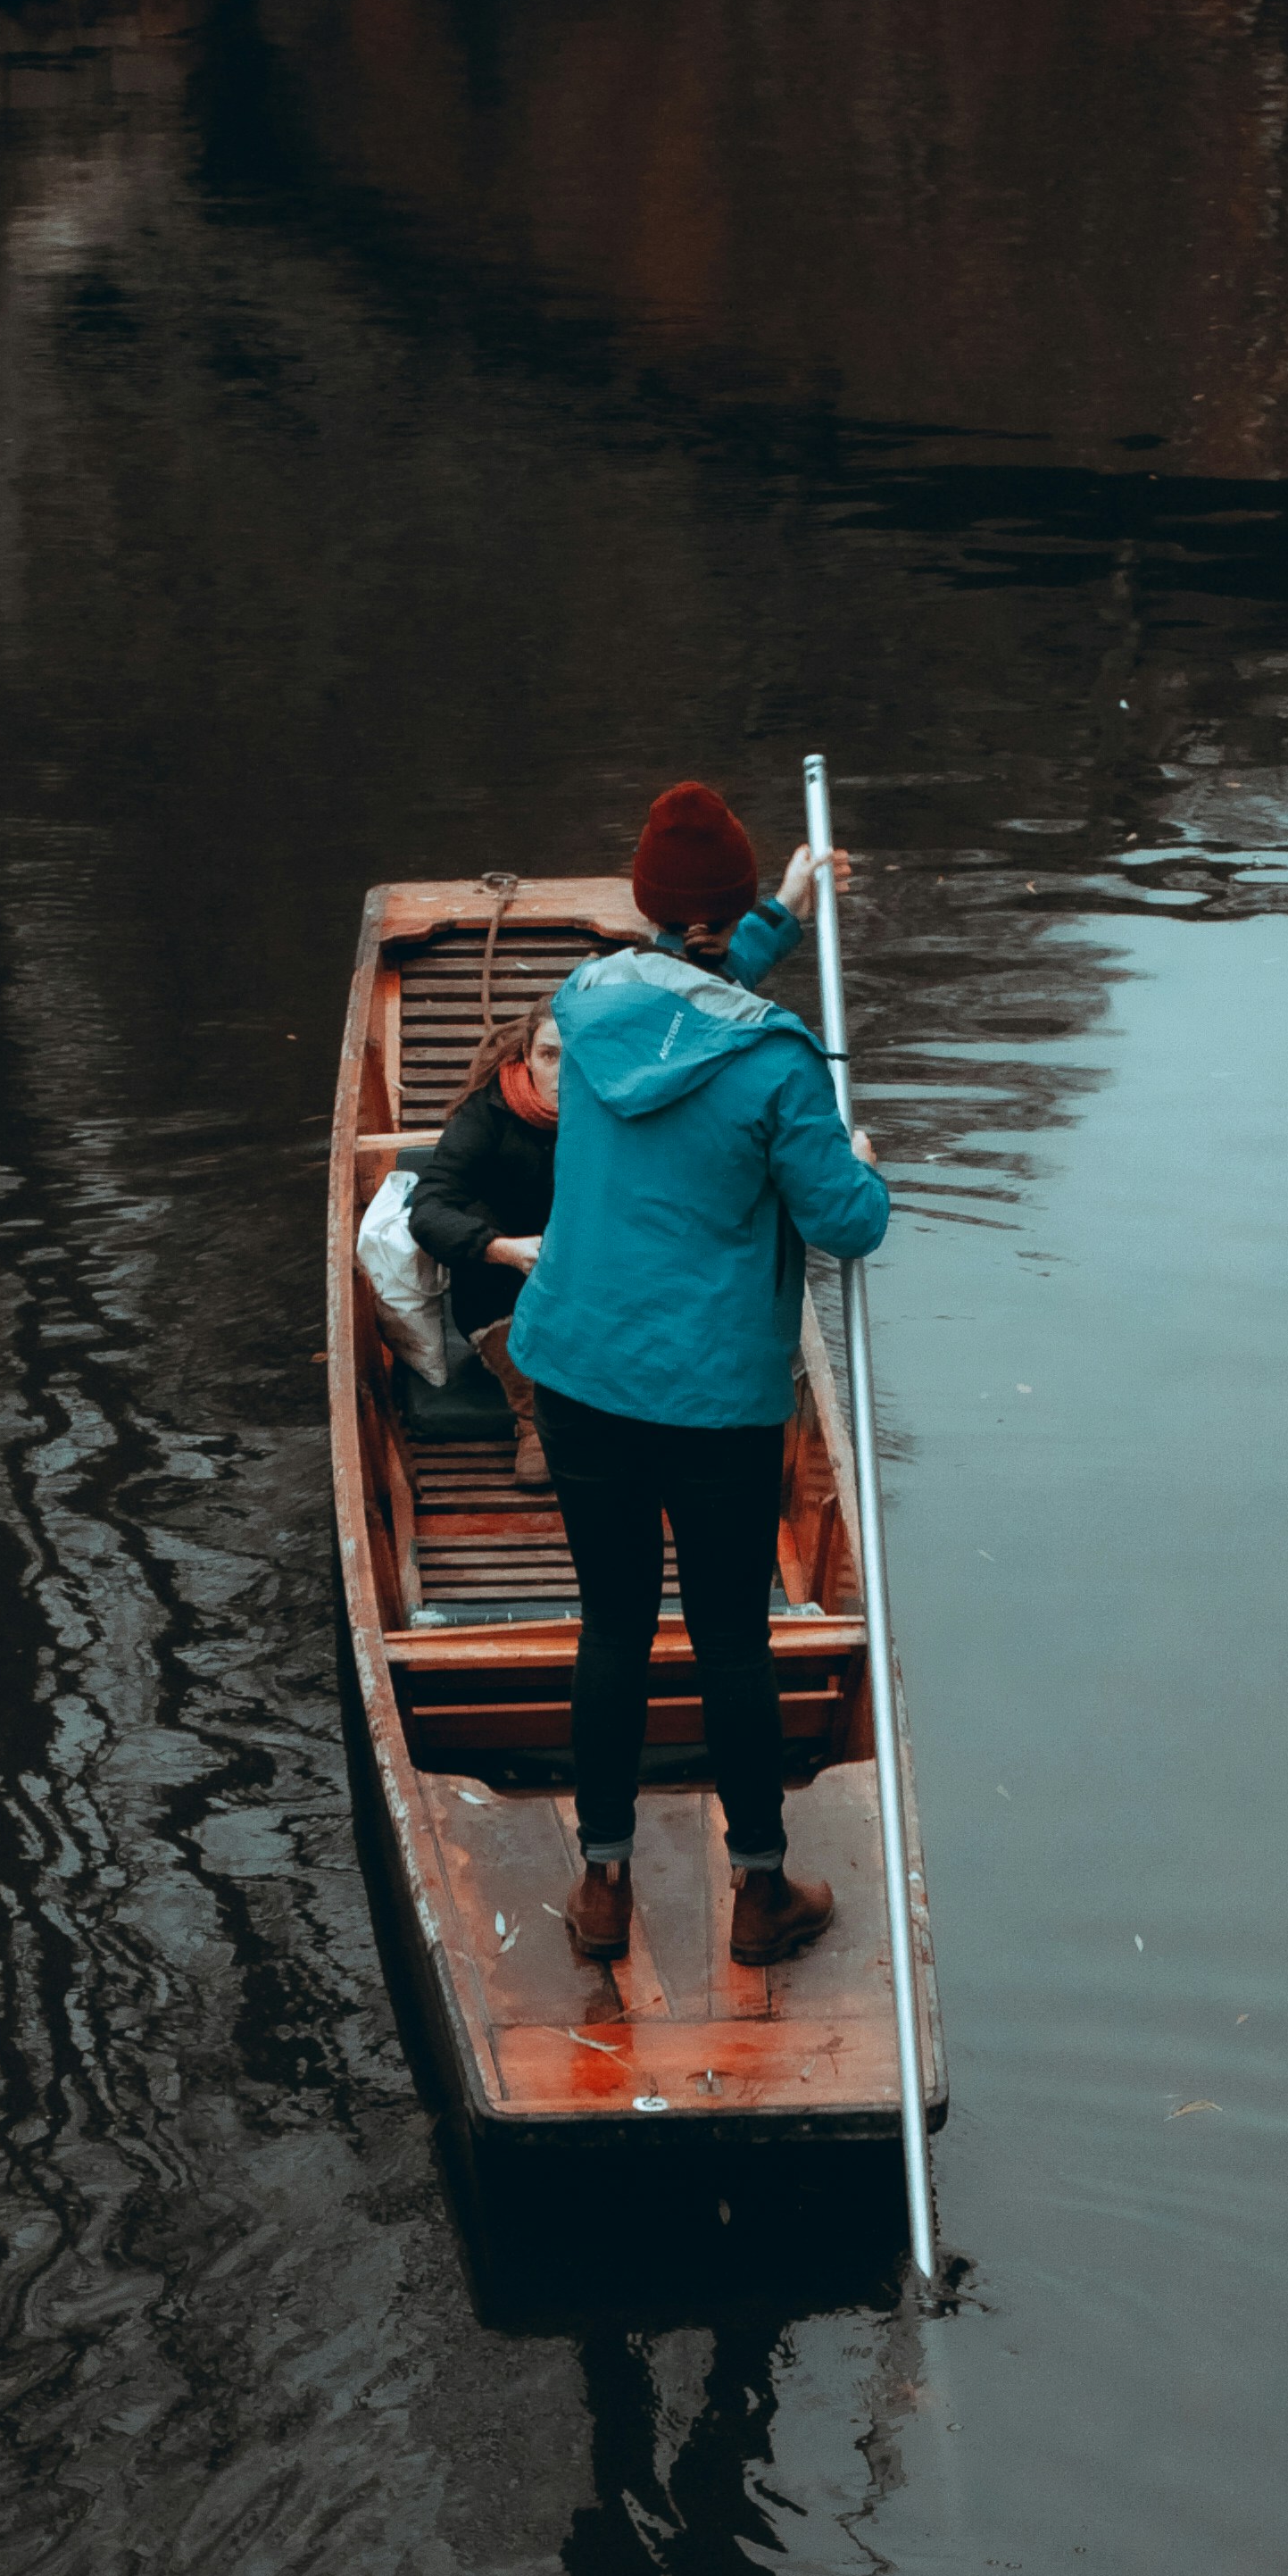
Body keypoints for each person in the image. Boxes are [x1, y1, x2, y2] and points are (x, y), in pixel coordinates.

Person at [508, 780, 889, 1969]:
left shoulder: (590, 996)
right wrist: (861, 1160)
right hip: (713, 1399)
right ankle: (759, 1893)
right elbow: (847, 1222)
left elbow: (694, 1002)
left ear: (646, 908)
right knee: (732, 1639)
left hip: (574, 1372)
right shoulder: (777, 1068)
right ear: (726, 910)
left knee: (613, 1625)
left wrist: (768, 911)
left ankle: (605, 1888)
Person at [403, 999, 562, 1488]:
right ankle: (533, 1423)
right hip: (502, 1290)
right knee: (473, 1214)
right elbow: (427, 1211)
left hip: (593, 1282)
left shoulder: (620, 1115)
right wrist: (504, 1250)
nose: (565, 1073)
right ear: (529, 1057)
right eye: (551, 1056)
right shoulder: (486, 1116)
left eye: (583, 1057)